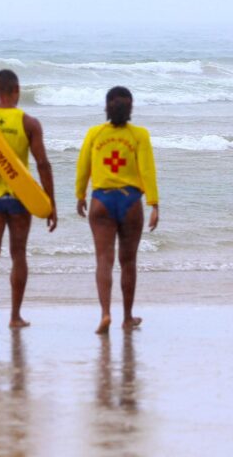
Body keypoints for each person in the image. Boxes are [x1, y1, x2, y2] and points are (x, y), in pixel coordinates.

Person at [0, 69, 57, 332]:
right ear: (17, 90)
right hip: (20, 199)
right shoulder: (29, 123)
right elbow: (43, 165)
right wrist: (50, 204)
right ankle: (15, 316)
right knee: (18, 255)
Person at [76, 86, 159, 335]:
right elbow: (146, 170)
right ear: (131, 107)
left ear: (106, 107)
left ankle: (105, 314)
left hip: (101, 201)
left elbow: (83, 166)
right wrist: (154, 203)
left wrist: (80, 195)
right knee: (128, 262)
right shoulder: (139, 135)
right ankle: (126, 317)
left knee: (103, 259)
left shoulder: (94, 133)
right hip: (130, 201)